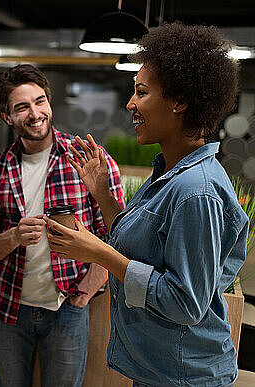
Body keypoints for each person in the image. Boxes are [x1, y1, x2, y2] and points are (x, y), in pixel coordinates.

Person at [46, 22, 248, 386]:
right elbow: (146, 251)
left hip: (184, 376)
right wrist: (104, 196)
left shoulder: (195, 191)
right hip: (162, 368)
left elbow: (185, 303)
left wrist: (98, 253)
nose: (130, 104)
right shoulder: (170, 173)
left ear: (180, 101)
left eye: (141, 92)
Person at [0, 64, 124, 387]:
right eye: (22, 107)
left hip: (68, 307)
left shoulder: (86, 157)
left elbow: (117, 233)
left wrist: (86, 289)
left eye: (40, 101)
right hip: (8, 309)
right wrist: (13, 236)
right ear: (6, 117)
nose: (35, 113)